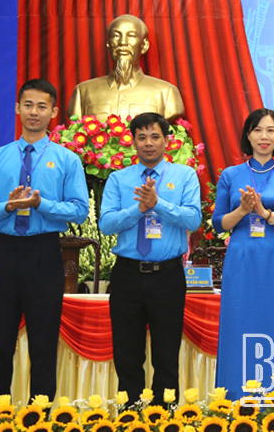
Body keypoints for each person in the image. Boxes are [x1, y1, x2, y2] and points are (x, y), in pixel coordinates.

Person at [0, 78, 88, 398]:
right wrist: (6, 207)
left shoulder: (67, 159)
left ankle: (41, 415)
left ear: (54, 112)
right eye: (28, 105)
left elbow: (79, 211)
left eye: (42, 106)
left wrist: (40, 204)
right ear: (17, 108)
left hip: (44, 253)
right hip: (5, 254)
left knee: (43, 345)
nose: (34, 112)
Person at [98, 112, 201, 404]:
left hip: (167, 276)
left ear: (167, 140)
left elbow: (193, 219)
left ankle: (164, 417)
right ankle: (130, 415)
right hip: (127, 276)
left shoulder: (184, 176)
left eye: (155, 136)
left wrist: (159, 204)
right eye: (141, 137)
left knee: (166, 355)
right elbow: (106, 224)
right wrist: (139, 209)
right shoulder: (118, 179)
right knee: (127, 355)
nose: (148, 143)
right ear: (132, 141)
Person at [212, 109, 274, 399]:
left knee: (273, 325)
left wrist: (264, 213)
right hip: (240, 258)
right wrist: (242, 210)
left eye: (270, 130)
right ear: (248, 136)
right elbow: (218, 223)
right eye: (257, 130)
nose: (264, 137)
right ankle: (232, 398)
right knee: (237, 325)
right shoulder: (230, 175)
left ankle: (273, 400)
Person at [68, 14, 184, 120]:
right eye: (116, 36)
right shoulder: (83, 92)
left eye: (131, 36)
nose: (123, 42)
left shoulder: (166, 92)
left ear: (144, 45)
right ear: (108, 44)